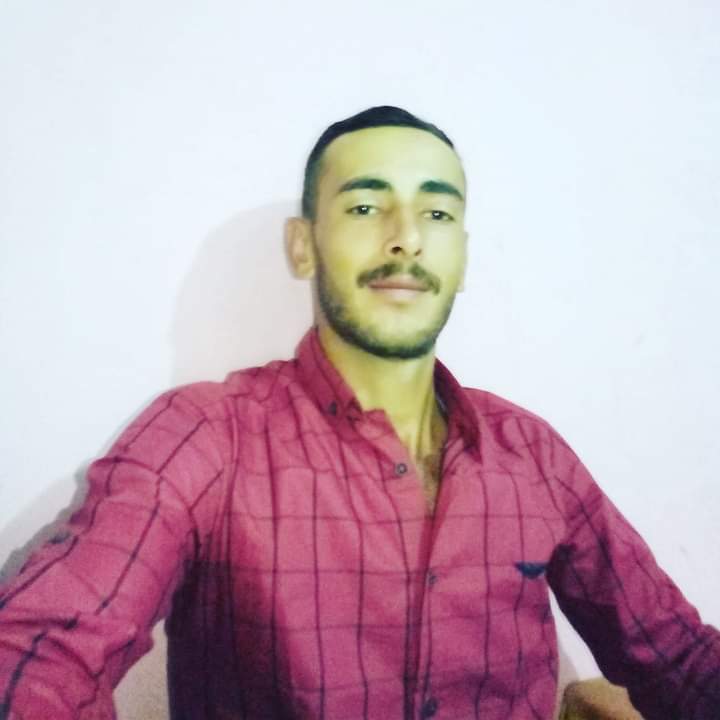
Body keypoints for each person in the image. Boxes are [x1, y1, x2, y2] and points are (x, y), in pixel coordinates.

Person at [0, 106, 718, 720]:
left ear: (463, 257)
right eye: (366, 207)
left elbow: (677, 656)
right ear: (303, 245)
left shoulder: (532, 453)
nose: (406, 237)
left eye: (437, 212)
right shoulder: (205, 437)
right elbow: (40, 654)